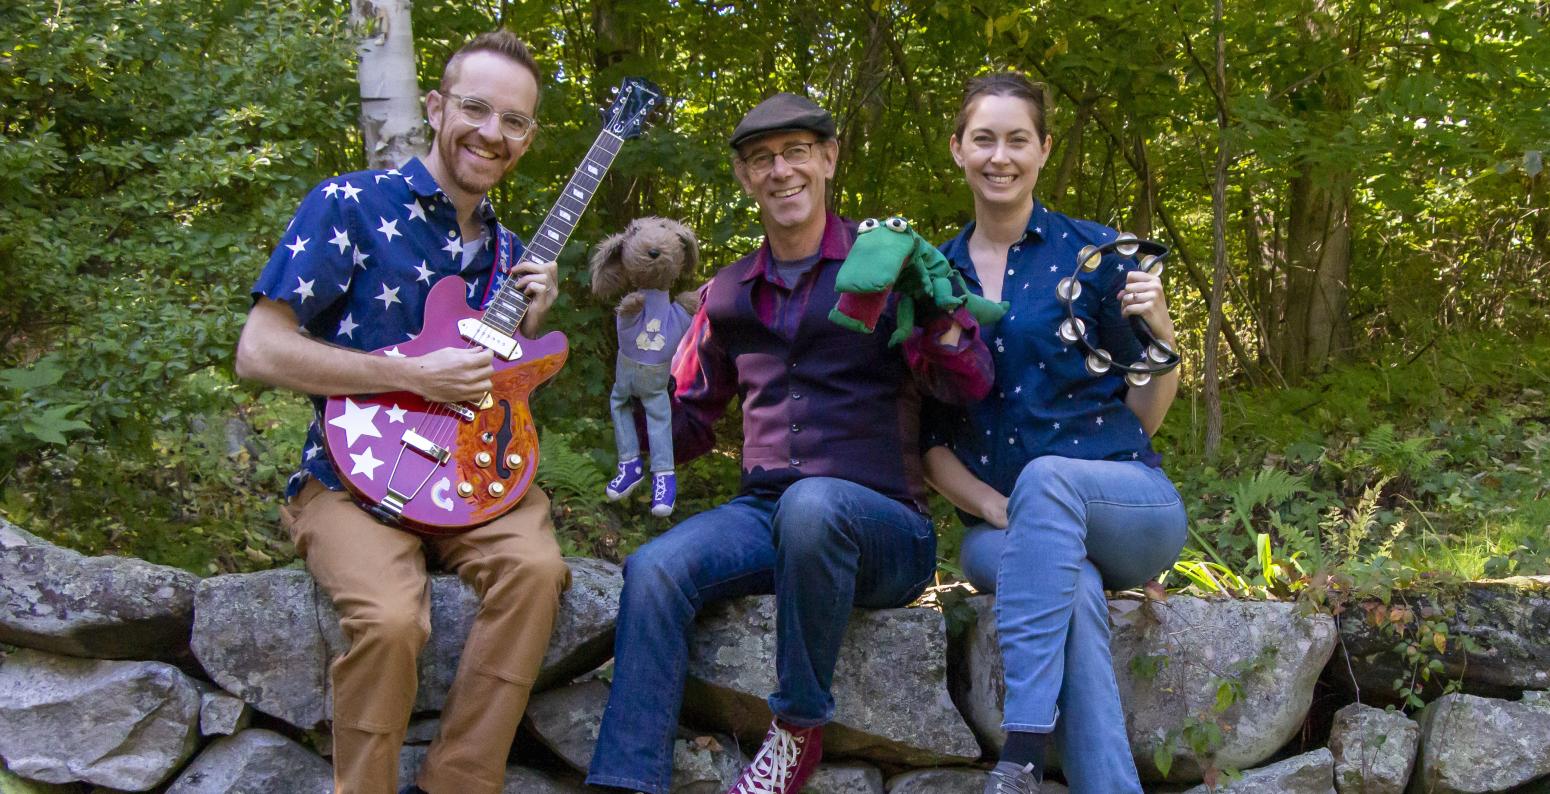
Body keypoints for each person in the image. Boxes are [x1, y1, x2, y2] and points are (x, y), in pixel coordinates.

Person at [584, 93, 995, 794]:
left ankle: (797, 730)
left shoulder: (887, 261)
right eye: (762, 159)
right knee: (655, 567)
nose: (781, 171)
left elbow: (970, 385)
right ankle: (626, 782)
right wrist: (641, 388)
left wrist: (942, 317)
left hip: (887, 528)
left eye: (797, 152)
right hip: (766, 517)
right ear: (745, 178)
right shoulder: (726, 294)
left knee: (814, 507)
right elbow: (687, 429)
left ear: (828, 159)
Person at [234, 31, 571, 794]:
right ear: (435, 106)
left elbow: (490, 392)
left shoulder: (512, 252)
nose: (492, 132)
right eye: (476, 108)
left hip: (472, 480)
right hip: (350, 479)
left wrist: (521, 332)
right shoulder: (349, 204)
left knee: (538, 570)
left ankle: (458, 781)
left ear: (528, 136)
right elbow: (258, 351)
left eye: (513, 120)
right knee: (391, 622)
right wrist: (408, 375)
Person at [922, 73, 1188, 794]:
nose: (999, 156)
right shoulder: (933, 279)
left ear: (1042, 149)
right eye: (983, 139)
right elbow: (931, 441)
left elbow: (1145, 417)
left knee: (1048, 479)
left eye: (1017, 139)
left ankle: (1024, 750)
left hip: (1127, 505)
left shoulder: (1094, 257)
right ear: (958, 150)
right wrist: (991, 506)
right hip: (1001, 525)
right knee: (1066, 588)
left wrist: (1162, 335)